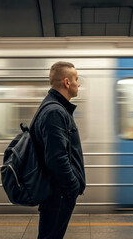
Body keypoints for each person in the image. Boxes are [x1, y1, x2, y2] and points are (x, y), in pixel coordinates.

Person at [33, 61, 86, 239]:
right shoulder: (55, 111)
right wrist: (72, 187)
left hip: (58, 192)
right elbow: (56, 158)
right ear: (66, 82)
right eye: (76, 79)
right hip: (59, 194)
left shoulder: (56, 107)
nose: (79, 84)